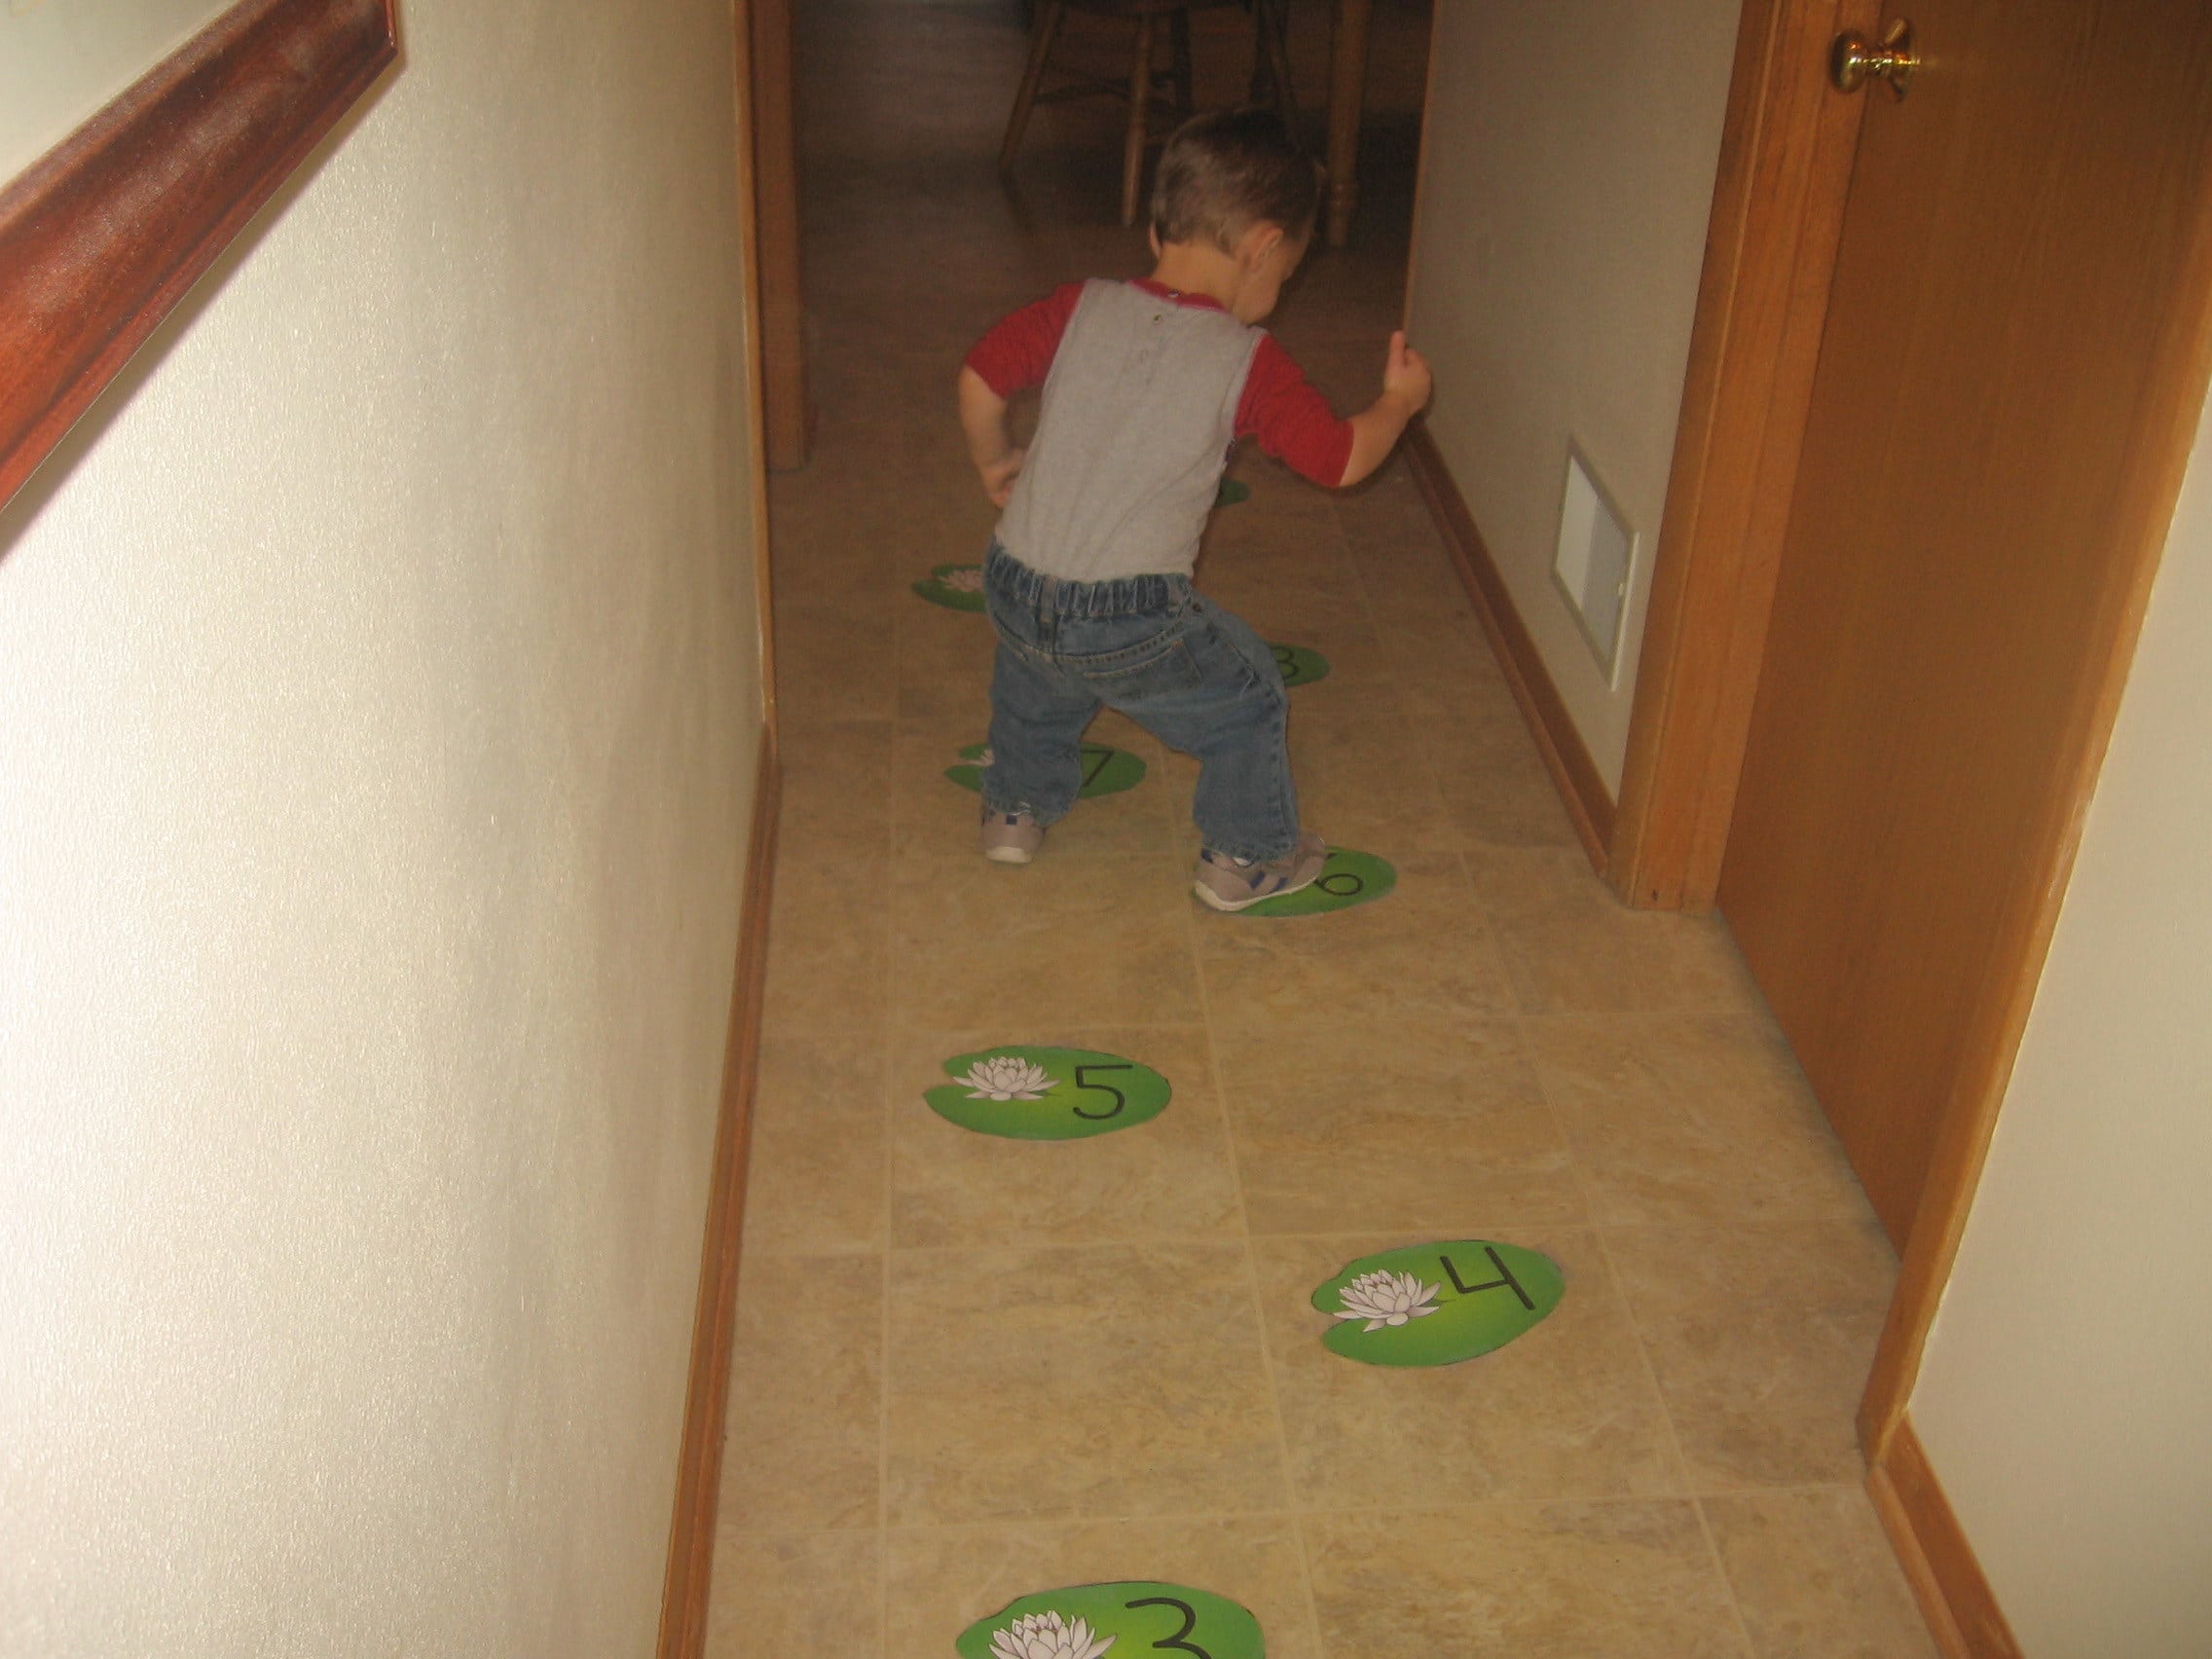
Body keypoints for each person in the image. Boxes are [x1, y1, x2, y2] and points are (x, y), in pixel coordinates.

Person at [955, 108, 1432, 911]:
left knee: (1037, 680)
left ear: (1158, 231)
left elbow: (979, 377)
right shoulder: (1248, 360)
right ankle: (1247, 856)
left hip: (1011, 578)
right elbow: (1341, 459)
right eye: (1287, 272)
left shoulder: (1080, 304)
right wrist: (1398, 403)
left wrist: (993, 459)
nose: (1280, 289)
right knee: (1246, 697)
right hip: (1126, 615)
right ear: (1263, 249)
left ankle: (1015, 807)